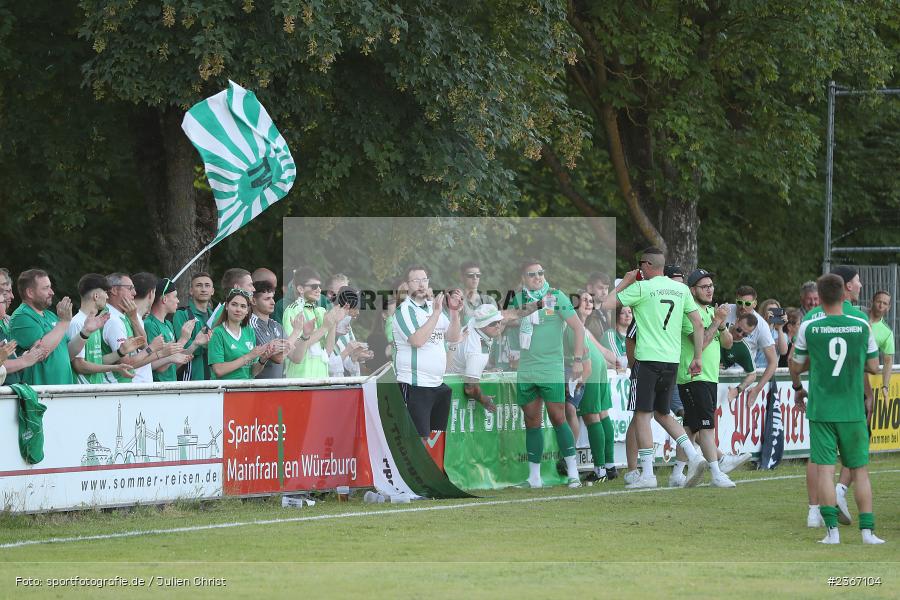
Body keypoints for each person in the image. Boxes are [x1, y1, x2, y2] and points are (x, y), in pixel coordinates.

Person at [602, 248, 706, 490]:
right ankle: (693, 455)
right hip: (671, 360)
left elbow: (606, 304)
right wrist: (698, 357)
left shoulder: (642, 287)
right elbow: (698, 323)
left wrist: (625, 282)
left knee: (641, 414)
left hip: (647, 359)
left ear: (647, 265)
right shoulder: (680, 289)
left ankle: (647, 473)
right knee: (662, 413)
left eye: (640, 264)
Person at [791, 273, 884, 544]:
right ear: (845, 293)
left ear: (818, 298)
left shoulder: (809, 326)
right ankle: (868, 532)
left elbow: (796, 365)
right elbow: (874, 367)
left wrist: (803, 378)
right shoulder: (860, 323)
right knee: (860, 470)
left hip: (822, 409)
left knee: (824, 469)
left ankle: (832, 533)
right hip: (852, 409)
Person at [800, 265, 870, 528]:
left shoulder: (812, 319)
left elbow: (799, 361)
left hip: (821, 399)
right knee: (857, 461)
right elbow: (864, 363)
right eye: (858, 281)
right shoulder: (856, 318)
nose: (861, 285)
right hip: (850, 402)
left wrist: (798, 386)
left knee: (818, 458)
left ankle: (814, 510)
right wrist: (869, 393)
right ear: (846, 287)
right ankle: (841, 494)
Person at [512, 259, 588, 489]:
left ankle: (573, 473)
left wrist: (577, 360)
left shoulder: (556, 296)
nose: (538, 277)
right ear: (524, 278)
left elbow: (578, 327)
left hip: (551, 367)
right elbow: (511, 319)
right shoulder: (518, 298)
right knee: (531, 421)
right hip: (526, 368)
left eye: (541, 273)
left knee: (558, 418)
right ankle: (534, 478)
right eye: (532, 274)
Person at [834, 289, 895, 525]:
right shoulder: (857, 318)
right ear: (872, 302)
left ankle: (831, 496)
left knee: (852, 444)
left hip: (855, 389)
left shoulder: (885, 333)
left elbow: (886, 362)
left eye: (885, 303)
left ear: (888, 307)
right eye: (878, 301)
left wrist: (886, 387)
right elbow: (873, 366)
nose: (881, 306)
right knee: (856, 445)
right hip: (854, 389)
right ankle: (836, 493)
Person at [671, 269, 736, 488]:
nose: (709, 290)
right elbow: (701, 343)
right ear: (692, 290)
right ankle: (717, 472)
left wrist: (722, 323)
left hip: (708, 377)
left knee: (691, 428)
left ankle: (677, 474)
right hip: (693, 376)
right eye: (704, 287)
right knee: (707, 427)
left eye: (711, 286)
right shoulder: (689, 313)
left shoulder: (710, 312)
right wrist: (716, 322)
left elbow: (728, 343)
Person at [393, 265, 462, 440]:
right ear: (407, 285)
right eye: (416, 281)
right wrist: (437, 314)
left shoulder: (433, 307)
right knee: (417, 440)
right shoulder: (404, 310)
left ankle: (429, 468)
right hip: (415, 384)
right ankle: (413, 469)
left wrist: (454, 314)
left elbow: (453, 337)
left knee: (435, 438)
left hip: (437, 384)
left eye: (424, 280)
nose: (422, 284)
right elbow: (417, 341)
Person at [565, 290, 615, 483]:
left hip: (591, 369)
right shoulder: (579, 327)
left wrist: (620, 361)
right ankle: (609, 467)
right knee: (602, 414)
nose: (588, 303)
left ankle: (600, 470)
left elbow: (600, 350)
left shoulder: (574, 326)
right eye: (584, 300)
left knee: (593, 415)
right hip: (598, 366)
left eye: (590, 300)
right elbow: (601, 350)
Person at [8, 269, 77, 386]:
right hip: (40, 392)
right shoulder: (22, 316)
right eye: (45, 288)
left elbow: (66, 352)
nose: (52, 292)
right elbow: (42, 351)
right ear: (30, 292)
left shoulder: (50, 315)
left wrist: (86, 332)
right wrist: (64, 323)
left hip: (63, 389)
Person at [68, 273, 138, 384]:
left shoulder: (95, 322)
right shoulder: (77, 323)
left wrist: (120, 352)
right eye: (105, 292)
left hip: (96, 389)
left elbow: (96, 360)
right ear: (96, 296)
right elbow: (79, 365)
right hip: (84, 393)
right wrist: (114, 368)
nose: (107, 296)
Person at [102, 273, 170, 384]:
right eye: (130, 288)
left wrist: (133, 317)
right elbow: (126, 364)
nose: (134, 293)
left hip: (124, 387)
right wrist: (153, 350)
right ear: (114, 290)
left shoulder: (124, 316)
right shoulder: (112, 320)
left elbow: (143, 343)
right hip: (117, 388)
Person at [208, 288, 278, 379]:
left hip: (246, 389)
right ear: (226, 306)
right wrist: (248, 356)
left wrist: (262, 360)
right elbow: (218, 370)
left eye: (243, 306)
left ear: (247, 311)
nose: (238, 309)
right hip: (225, 390)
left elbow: (252, 372)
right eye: (234, 305)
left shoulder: (249, 331)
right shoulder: (217, 332)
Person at [726, 286, 777, 406]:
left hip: (740, 376)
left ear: (755, 304)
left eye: (747, 303)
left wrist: (757, 389)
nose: (743, 307)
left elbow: (773, 362)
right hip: (716, 371)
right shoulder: (726, 310)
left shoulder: (762, 326)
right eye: (739, 302)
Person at [447, 303, 503, 413]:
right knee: (440, 428)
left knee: (439, 428)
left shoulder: (474, 322)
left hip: (448, 377)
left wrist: (483, 370)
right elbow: (470, 388)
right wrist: (484, 400)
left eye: (499, 321)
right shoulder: (476, 349)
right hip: (451, 385)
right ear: (481, 325)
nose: (498, 325)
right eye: (492, 323)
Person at [282, 267, 334, 379]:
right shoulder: (292, 310)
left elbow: (328, 351)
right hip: (300, 380)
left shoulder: (320, 311)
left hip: (321, 379)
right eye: (314, 286)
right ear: (300, 288)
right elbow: (293, 348)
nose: (319, 290)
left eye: (320, 286)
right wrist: (324, 328)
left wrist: (334, 322)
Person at [144, 278, 198, 382]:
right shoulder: (150, 324)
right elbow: (160, 368)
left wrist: (196, 343)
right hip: (157, 387)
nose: (178, 301)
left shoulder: (168, 324)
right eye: (175, 296)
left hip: (171, 385)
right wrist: (183, 339)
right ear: (164, 299)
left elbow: (171, 364)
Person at [173, 271, 214, 380]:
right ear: (191, 291)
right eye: (199, 285)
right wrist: (204, 345)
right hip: (191, 377)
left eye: (207, 285)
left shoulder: (215, 316)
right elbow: (182, 346)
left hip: (213, 378)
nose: (204, 289)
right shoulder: (182, 314)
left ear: (212, 291)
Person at [328, 287, 374, 378]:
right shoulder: (327, 327)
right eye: (356, 308)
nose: (358, 312)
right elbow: (328, 367)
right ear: (344, 306)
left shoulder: (348, 329)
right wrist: (347, 351)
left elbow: (348, 367)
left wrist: (355, 356)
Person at [250, 280, 292, 379]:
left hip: (279, 387)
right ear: (254, 301)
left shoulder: (276, 324)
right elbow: (278, 358)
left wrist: (286, 347)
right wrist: (296, 332)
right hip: (260, 388)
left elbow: (294, 354)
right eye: (267, 299)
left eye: (272, 298)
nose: (273, 302)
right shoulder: (251, 324)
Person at [757, 298, 789, 366]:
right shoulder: (755, 330)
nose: (773, 313)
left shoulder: (781, 335)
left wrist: (780, 328)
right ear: (763, 312)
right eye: (770, 311)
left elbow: (783, 352)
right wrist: (766, 323)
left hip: (771, 371)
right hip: (755, 369)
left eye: (776, 311)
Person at [600, 305, 631, 373]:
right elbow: (618, 363)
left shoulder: (634, 335)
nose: (628, 315)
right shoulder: (610, 334)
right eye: (622, 313)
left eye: (630, 312)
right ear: (616, 316)